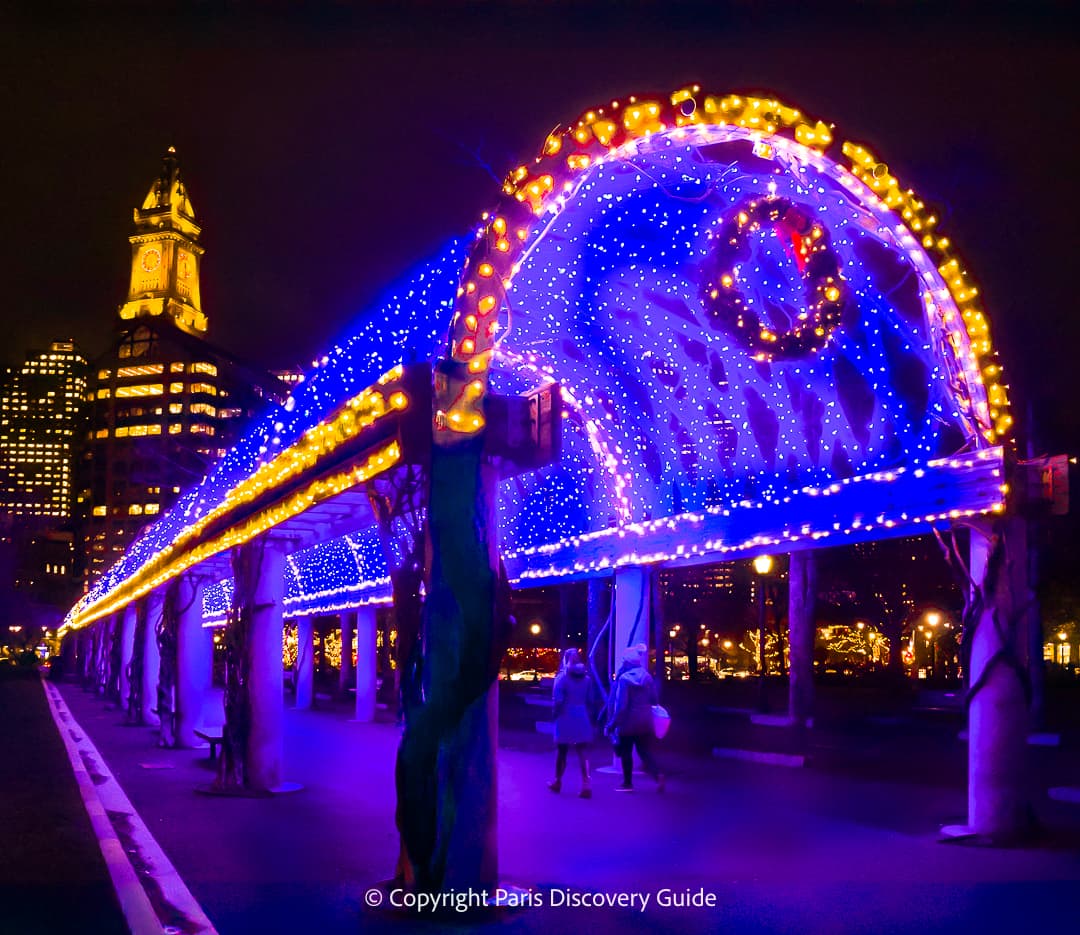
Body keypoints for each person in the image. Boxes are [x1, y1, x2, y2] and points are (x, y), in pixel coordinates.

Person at [605, 644, 665, 792]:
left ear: (628, 663)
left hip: (627, 722)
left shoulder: (624, 680)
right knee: (644, 751)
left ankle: (627, 783)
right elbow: (654, 700)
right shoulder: (647, 677)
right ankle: (658, 775)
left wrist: (612, 724)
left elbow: (622, 706)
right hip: (645, 721)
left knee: (626, 752)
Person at [548, 648, 595, 798]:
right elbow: (591, 700)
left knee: (562, 751)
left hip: (565, 716)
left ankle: (557, 781)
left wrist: (554, 715)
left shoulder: (562, 678)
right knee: (582, 752)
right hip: (582, 716)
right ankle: (586, 784)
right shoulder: (587, 679)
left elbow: (558, 700)